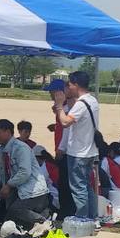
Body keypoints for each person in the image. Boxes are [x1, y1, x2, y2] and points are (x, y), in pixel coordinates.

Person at [51, 70, 101, 220]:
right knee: (86, 186)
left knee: (78, 188)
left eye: (70, 84)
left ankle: (82, 218)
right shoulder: (92, 100)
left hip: (78, 152)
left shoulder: (81, 104)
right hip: (90, 150)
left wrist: (59, 106)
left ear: (76, 85)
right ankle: (92, 217)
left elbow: (65, 122)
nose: (68, 87)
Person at [0, 118, 51, 226]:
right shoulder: (3, 151)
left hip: (33, 192)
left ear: (8, 132)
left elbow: (24, 172)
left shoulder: (21, 148)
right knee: (9, 221)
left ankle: (44, 221)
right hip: (18, 192)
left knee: (15, 211)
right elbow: (5, 176)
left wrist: (8, 186)